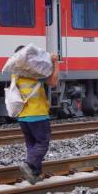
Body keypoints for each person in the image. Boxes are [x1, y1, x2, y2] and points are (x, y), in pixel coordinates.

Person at [14, 47, 60, 184]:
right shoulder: (35, 71)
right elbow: (53, 82)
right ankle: (28, 164)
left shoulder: (15, 72)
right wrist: (55, 63)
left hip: (23, 116)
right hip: (37, 114)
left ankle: (35, 174)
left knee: (32, 145)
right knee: (42, 143)